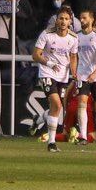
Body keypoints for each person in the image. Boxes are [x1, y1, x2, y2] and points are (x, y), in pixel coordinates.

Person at [31, 9, 77, 153]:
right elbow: (35, 55)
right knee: (57, 104)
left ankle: (39, 119)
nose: (63, 22)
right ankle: (51, 142)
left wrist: (74, 73)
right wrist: (49, 63)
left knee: (56, 108)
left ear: (70, 21)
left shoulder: (73, 38)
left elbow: (73, 57)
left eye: (66, 19)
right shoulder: (47, 34)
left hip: (63, 76)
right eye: (61, 18)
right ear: (56, 20)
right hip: (47, 73)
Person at [71, 9, 96, 145]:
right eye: (81, 18)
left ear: (91, 20)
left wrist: (95, 72)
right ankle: (83, 136)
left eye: (85, 18)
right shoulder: (76, 36)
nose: (82, 20)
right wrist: (74, 72)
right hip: (82, 75)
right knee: (82, 104)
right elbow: (74, 55)